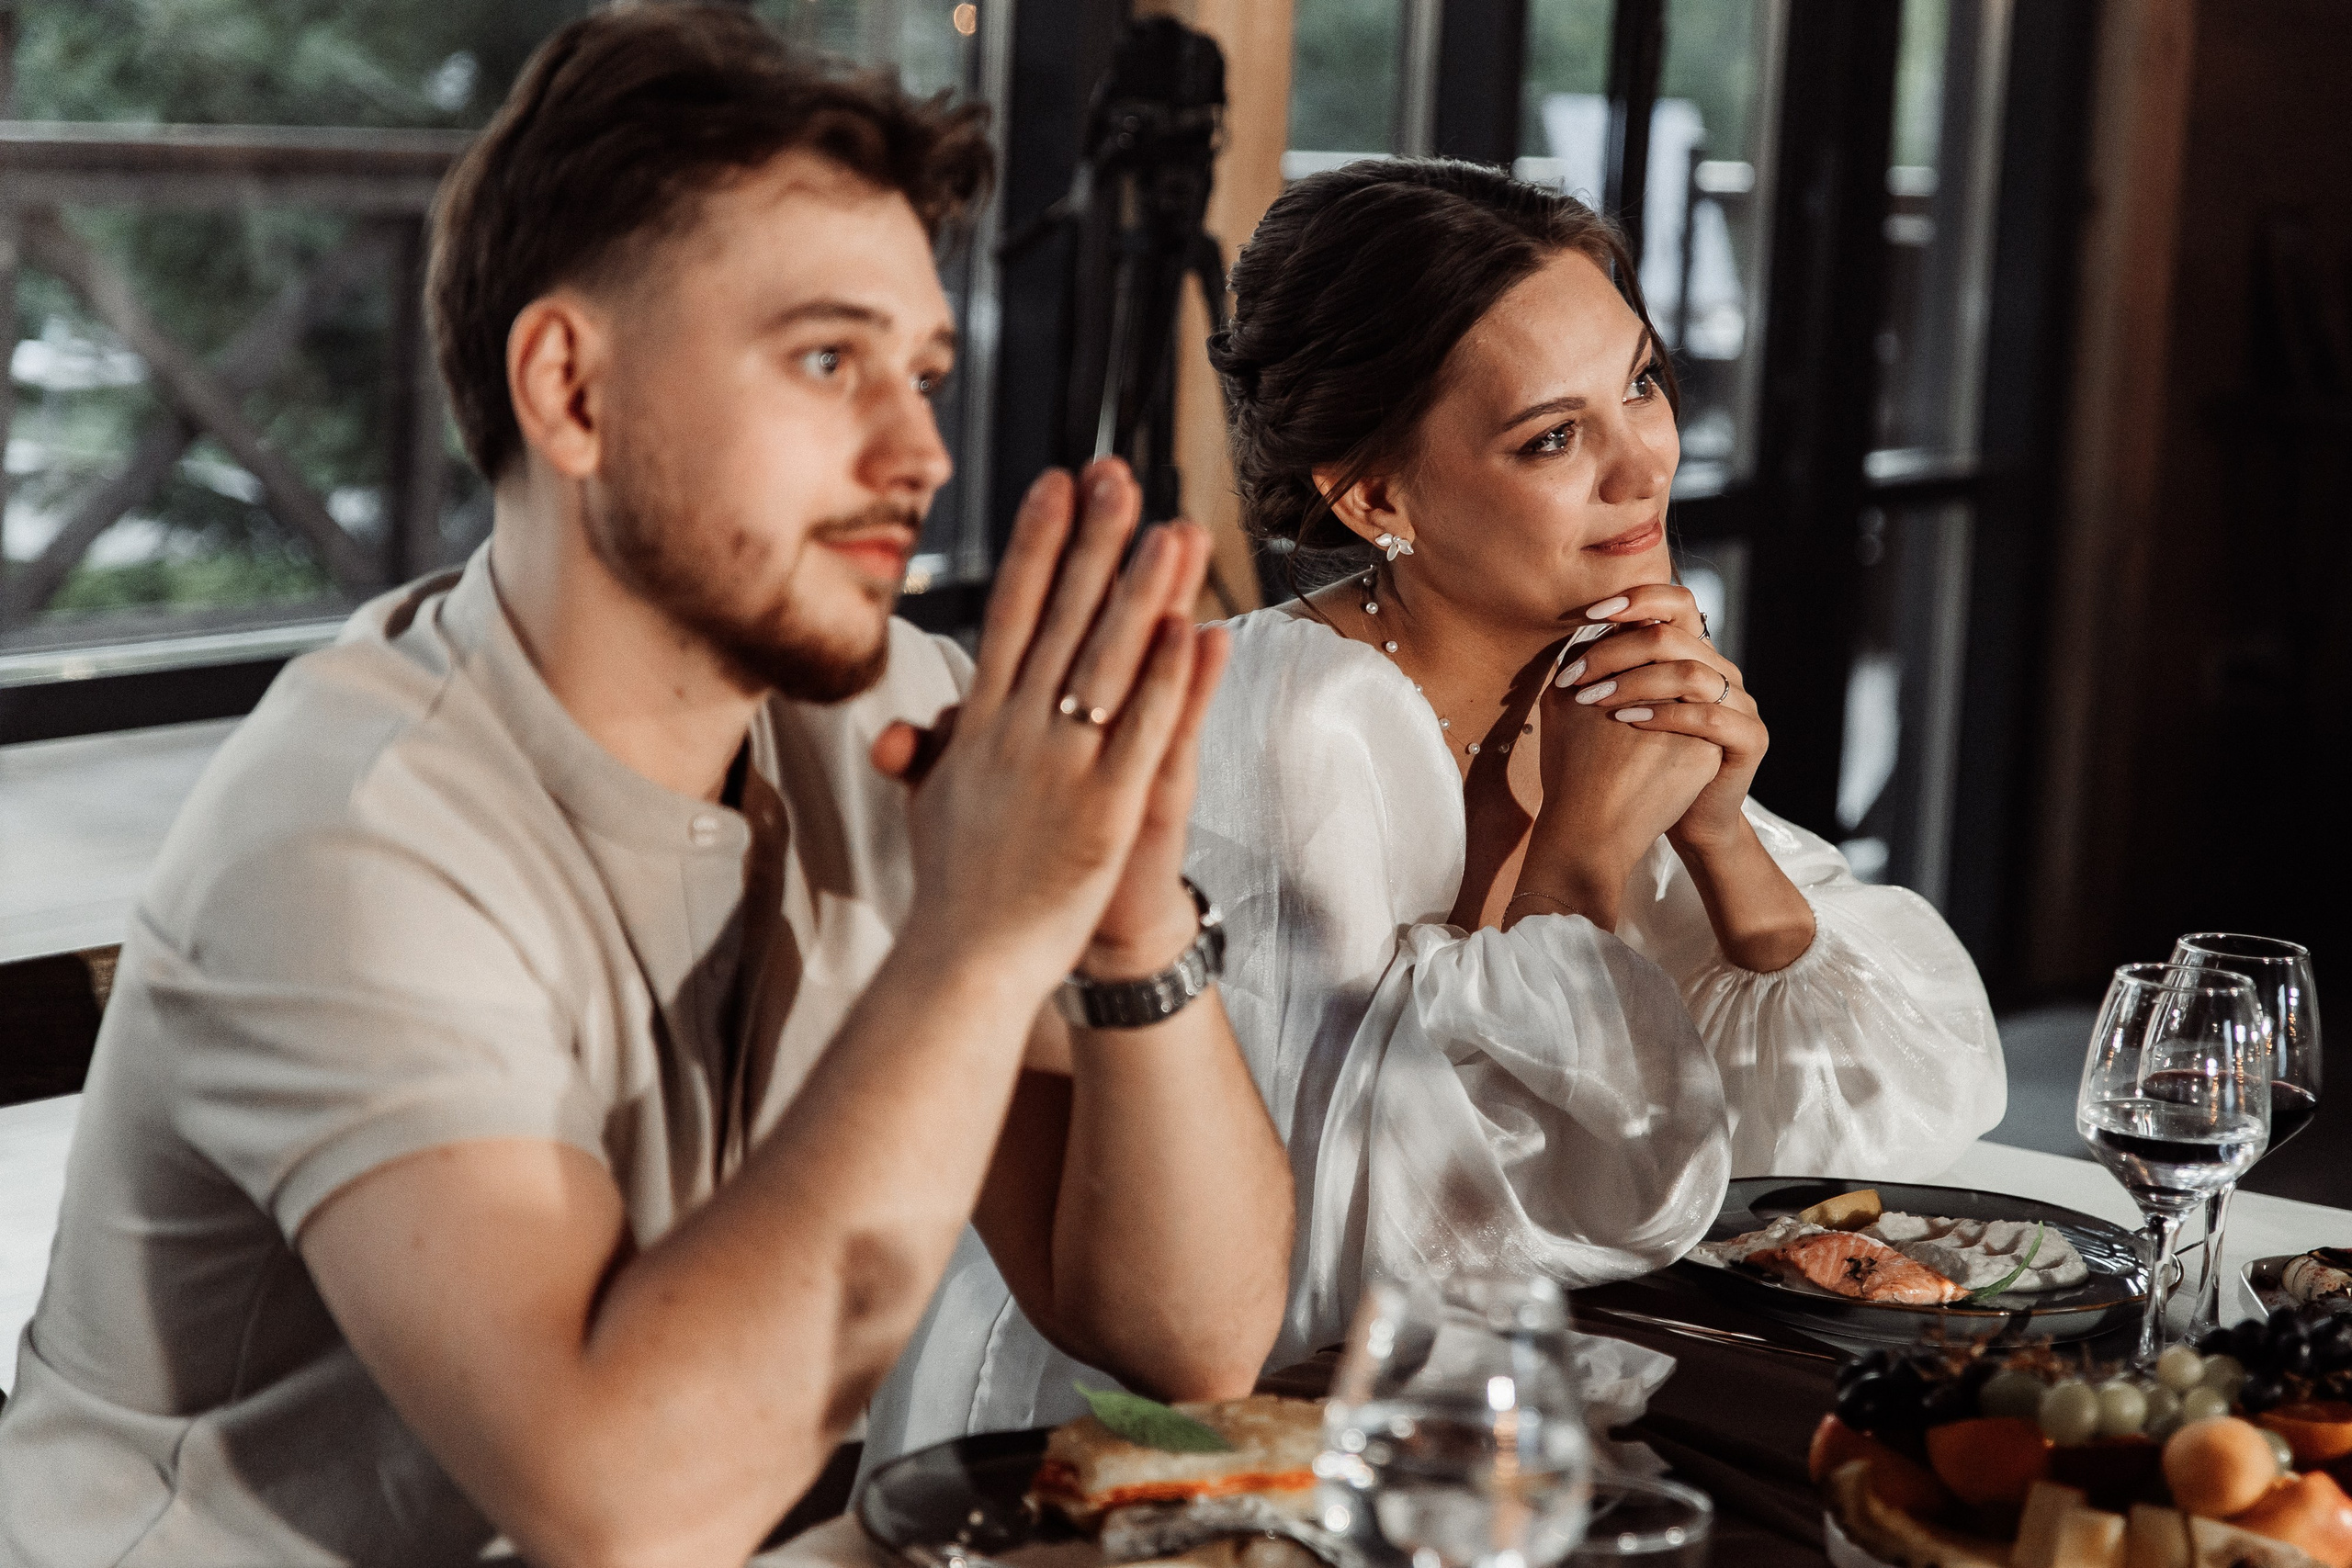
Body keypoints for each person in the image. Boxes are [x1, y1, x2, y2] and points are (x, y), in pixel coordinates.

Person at [0, 8, 1293, 1565]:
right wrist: (979, 932)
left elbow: (1189, 1343)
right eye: (828, 359)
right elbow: (621, 1505)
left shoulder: (883, 719)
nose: (922, 454)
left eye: (924, 370)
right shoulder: (350, 834)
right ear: (570, 391)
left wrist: (1133, 923)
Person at [1186, 158, 2007, 1368]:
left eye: (1642, 385)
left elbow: (1871, 1130)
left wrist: (1719, 836)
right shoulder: (1288, 728)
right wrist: (1582, 850)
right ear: (1375, 498)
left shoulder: (1593, 666)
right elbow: (1407, 1233)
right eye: (1553, 437)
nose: (1645, 465)